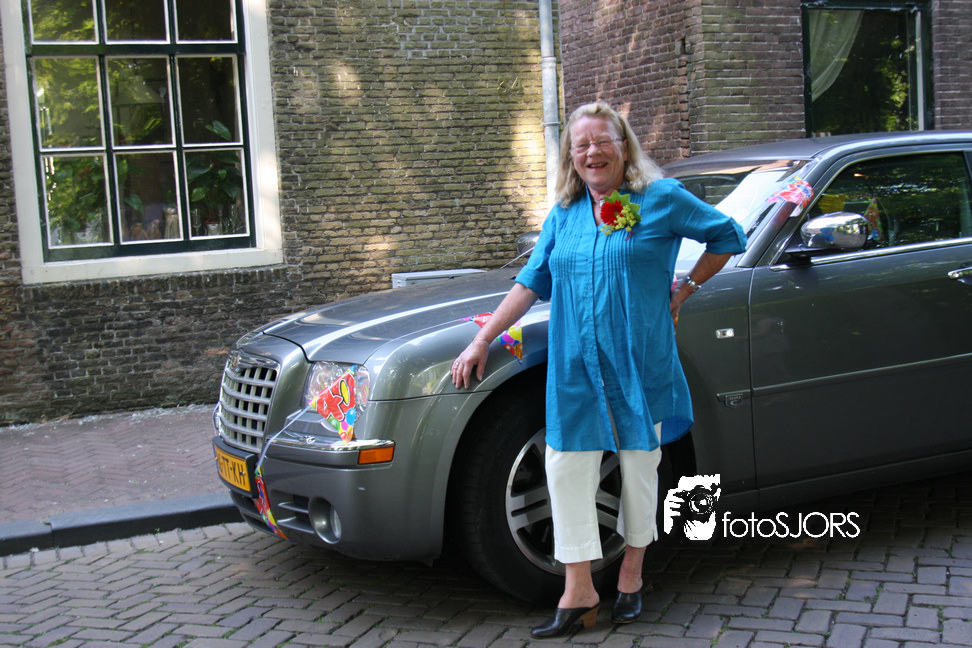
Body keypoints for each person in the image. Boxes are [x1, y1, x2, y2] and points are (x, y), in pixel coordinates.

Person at [450, 102, 746, 638]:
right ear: (571, 156)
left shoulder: (660, 198)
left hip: (638, 361)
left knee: (638, 468)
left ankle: (631, 574)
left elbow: (726, 234)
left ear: (624, 146)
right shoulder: (564, 214)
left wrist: (685, 289)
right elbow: (529, 282)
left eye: (603, 140)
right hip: (574, 366)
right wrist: (482, 338)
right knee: (565, 469)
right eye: (581, 144)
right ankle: (580, 590)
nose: (592, 152)